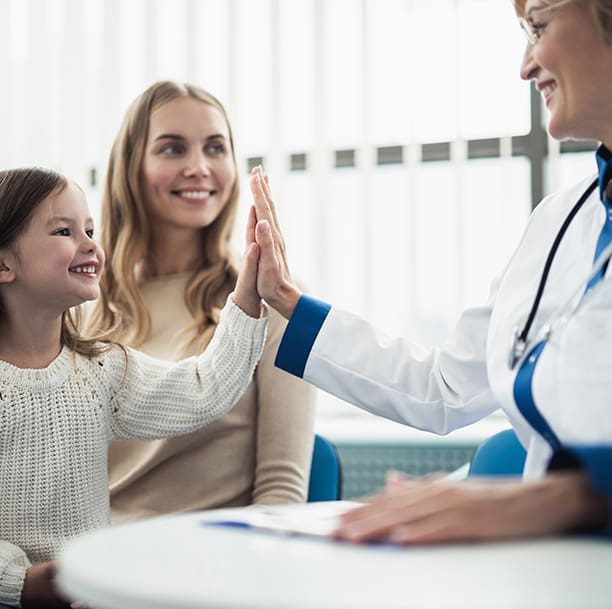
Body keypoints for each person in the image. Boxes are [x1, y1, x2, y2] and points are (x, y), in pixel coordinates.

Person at [249, 0, 612, 544]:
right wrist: (287, 300)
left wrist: (568, 496)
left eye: (538, 27)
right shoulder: (559, 222)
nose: (525, 65)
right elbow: (445, 388)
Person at [0, 167, 267, 607]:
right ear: (3, 263)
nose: (90, 244)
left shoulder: (103, 371)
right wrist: (21, 583)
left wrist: (248, 295)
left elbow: (205, 387)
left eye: (89, 228)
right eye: (63, 231)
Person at [85, 81, 315, 521]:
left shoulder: (270, 302)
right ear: (131, 167)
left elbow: (281, 493)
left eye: (215, 148)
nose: (199, 167)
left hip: (207, 567)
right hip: (84, 567)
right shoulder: (80, 306)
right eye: (172, 149)